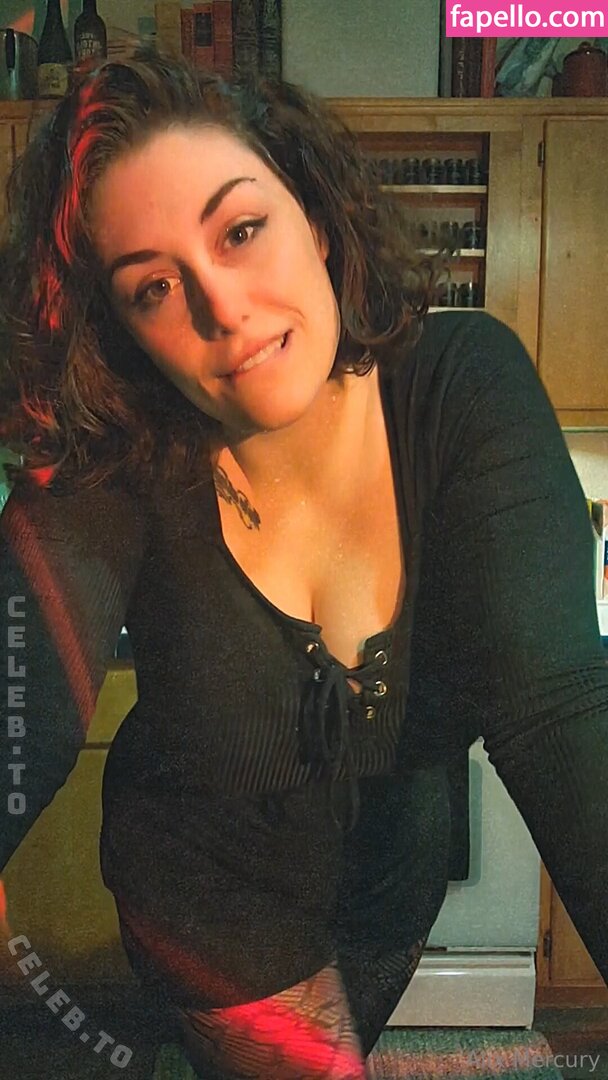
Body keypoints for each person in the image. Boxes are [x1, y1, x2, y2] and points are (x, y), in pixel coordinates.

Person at [0, 49, 607, 1080]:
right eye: (154, 287)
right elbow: (22, 709)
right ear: (125, 332)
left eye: (241, 231)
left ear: (314, 215)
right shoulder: (119, 457)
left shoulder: (463, 388)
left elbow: (560, 711)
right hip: (206, 889)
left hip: (391, 876)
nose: (224, 309)